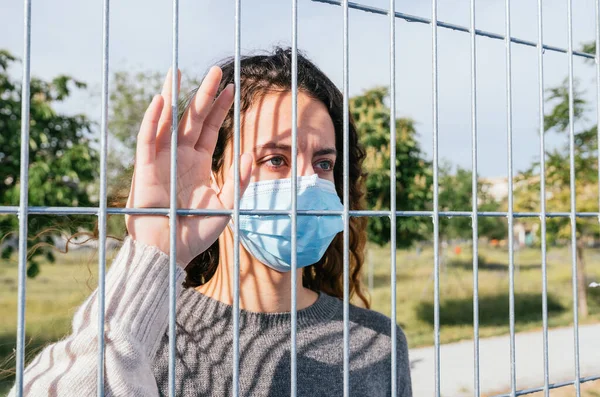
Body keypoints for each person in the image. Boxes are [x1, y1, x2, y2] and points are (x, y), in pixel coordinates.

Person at [10, 48, 412, 396]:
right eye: (276, 159)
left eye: (323, 163)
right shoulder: (147, 339)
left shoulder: (378, 343)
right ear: (214, 173)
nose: (307, 183)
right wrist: (153, 253)